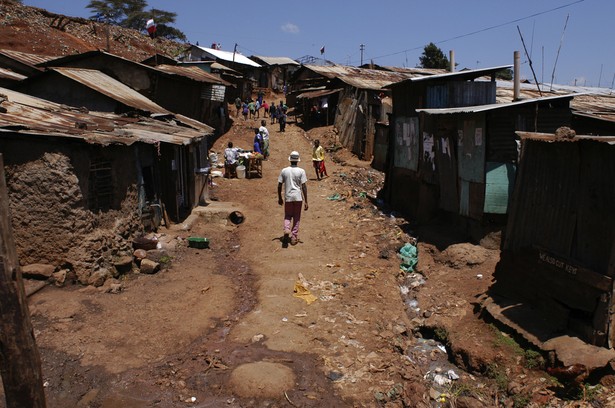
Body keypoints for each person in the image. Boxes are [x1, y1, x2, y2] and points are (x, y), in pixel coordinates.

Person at [278, 151, 308, 245]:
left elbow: (279, 185)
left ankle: (287, 229)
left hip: (288, 197)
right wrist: (306, 201)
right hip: (298, 197)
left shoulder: (284, 171)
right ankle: (294, 237)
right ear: (298, 160)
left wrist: (279, 197)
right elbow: (304, 186)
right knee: (296, 217)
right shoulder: (301, 171)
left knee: (288, 215)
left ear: (290, 160)